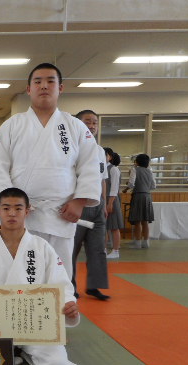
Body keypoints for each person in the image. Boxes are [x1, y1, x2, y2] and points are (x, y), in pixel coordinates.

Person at [0, 62, 101, 280]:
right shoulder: (12, 125)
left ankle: (60, 304)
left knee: (58, 276)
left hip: (61, 213)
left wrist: (79, 201)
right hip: (20, 215)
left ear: (61, 88)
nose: (44, 86)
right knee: (18, 275)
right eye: (38, 82)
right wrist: (6, 205)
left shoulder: (75, 126)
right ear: (28, 89)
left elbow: (90, 165)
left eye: (50, 81)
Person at [0, 187, 80, 365]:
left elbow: (61, 284)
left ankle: (25, 354)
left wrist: (68, 305)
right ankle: (14, 352)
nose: (12, 213)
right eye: (6, 208)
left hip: (36, 325)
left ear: (27, 211)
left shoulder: (42, 247)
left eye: (18, 208)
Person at [71, 110, 110, 301]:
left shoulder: (100, 151)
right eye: (88, 122)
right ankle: (69, 285)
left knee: (98, 247)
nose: (92, 126)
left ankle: (94, 285)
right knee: (71, 248)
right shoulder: (71, 148)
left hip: (97, 206)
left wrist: (104, 203)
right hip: (78, 204)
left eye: (95, 122)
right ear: (77, 124)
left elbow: (102, 179)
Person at [123, 153, 156, 248]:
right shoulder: (150, 171)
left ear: (137, 162)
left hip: (138, 196)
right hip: (147, 196)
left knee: (137, 220)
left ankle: (137, 242)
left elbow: (131, 184)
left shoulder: (134, 170)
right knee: (145, 221)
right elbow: (153, 186)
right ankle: (146, 242)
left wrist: (126, 188)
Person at [105, 149, 124, 258]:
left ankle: (116, 251)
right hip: (104, 199)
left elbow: (114, 188)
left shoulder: (114, 169)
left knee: (114, 226)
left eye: (105, 155)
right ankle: (103, 249)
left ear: (110, 157)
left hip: (112, 199)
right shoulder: (102, 168)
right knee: (104, 227)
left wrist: (110, 203)